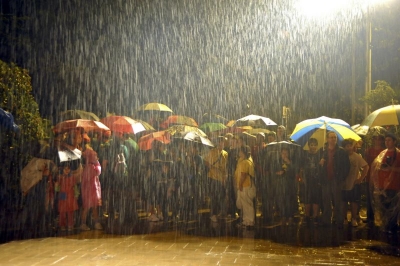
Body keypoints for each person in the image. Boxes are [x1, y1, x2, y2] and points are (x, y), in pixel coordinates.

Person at [319, 131, 351, 228]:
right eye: (331, 137)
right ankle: (326, 220)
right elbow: (319, 167)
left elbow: (347, 166)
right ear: (327, 139)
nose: (333, 139)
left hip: (336, 179)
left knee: (337, 201)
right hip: (326, 179)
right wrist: (320, 164)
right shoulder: (323, 151)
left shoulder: (341, 151)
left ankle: (338, 220)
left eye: (335, 137)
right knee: (326, 200)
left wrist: (341, 178)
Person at [370, 133, 400, 233]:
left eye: (389, 140)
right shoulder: (382, 153)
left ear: (394, 141)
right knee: (383, 208)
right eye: (386, 140)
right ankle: (384, 227)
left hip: (394, 185)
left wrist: (391, 169)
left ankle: (392, 228)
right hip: (382, 186)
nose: (387, 142)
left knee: (393, 208)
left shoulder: (398, 154)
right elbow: (376, 167)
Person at [341, 139, 369, 227]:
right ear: (344, 147)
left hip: (354, 182)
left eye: (350, 145)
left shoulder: (357, 156)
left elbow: (366, 167)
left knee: (354, 202)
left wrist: (360, 179)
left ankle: (353, 218)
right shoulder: (341, 156)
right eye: (347, 146)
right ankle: (344, 218)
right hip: (344, 183)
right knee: (344, 201)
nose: (349, 148)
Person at [269, 147, 298, 225]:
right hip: (280, 184)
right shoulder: (277, 161)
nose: (284, 155)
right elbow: (272, 171)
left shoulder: (292, 161)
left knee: (289, 201)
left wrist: (289, 162)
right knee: (281, 201)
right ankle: (283, 217)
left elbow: (295, 171)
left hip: (289, 184)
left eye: (286, 153)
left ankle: (290, 217)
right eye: (283, 153)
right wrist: (277, 173)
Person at [204, 136, 228, 222]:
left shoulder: (225, 153)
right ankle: (213, 214)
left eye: (223, 142)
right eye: (221, 142)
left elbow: (225, 167)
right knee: (214, 196)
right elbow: (206, 161)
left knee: (221, 196)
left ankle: (218, 212)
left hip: (221, 178)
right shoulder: (212, 152)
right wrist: (212, 167)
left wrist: (224, 177)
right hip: (213, 177)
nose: (222, 144)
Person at [80, 143, 102, 230]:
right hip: (91, 190)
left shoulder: (88, 166)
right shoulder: (91, 167)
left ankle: (95, 222)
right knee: (88, 207)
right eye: (94, 156)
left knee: (93, 206)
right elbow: (97, 173)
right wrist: (98, 164)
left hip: (91, 189)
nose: (96, 157)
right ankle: (84, 223)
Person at [301, 138, 323, 226]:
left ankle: (315, 216)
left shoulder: (320, 155)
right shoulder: (305, 154)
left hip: (317, 180)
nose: (313, 147)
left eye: (314, 145)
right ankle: (307, 216)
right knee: (307, 199)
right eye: (311, 145)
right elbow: (301, 168)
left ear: (317, 146)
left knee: (316, 198)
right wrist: (302, 178)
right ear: (309, 145)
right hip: (307, 179)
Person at [364, 135, 385, 223]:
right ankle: (370, 216)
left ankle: (382, 217)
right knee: (369, 198)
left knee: (381, 198)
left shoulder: (383, 151)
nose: (377, 141)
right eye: (375, 139)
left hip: (380, 178)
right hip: (369, 177)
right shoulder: (369, 150)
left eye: (379, 139)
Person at [235, 145, 256, 227]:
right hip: (246, 185)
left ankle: (249, 221)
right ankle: (246, 220)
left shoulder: (244, 162)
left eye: (240, 151)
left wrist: (240, 184)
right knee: (244, 203)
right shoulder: (247, 161)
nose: (239, 152)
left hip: (245, 185)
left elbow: (243, 174)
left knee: (246, 203)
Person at [55, 163, 79, 231]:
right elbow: (57, 189)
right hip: (62, 194)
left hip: (70, 195)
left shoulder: (72, 177)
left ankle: (70, 225)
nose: (67, 170)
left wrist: (76, 195)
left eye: (68, 169)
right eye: (65, 169)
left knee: (70, 211)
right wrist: (56, 185)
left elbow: (75, 187)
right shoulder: (60, 177)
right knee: (62, 210)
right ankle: (62, 225)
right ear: (62, 169)